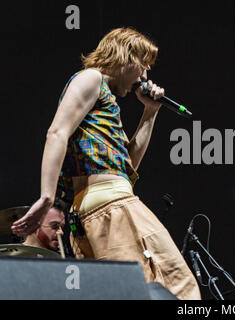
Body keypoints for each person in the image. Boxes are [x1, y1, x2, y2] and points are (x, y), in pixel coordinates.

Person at [12, 27, 201, 300]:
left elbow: (127, 167)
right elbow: (57, 132)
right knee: (178, 285)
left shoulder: (109, 104)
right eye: (143, 66)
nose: (145, 76)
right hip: (112, 207)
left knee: (141, 290)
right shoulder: (91, 78)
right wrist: (46, 197)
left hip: (104, 205)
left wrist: (150, 111)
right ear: (126, 57)